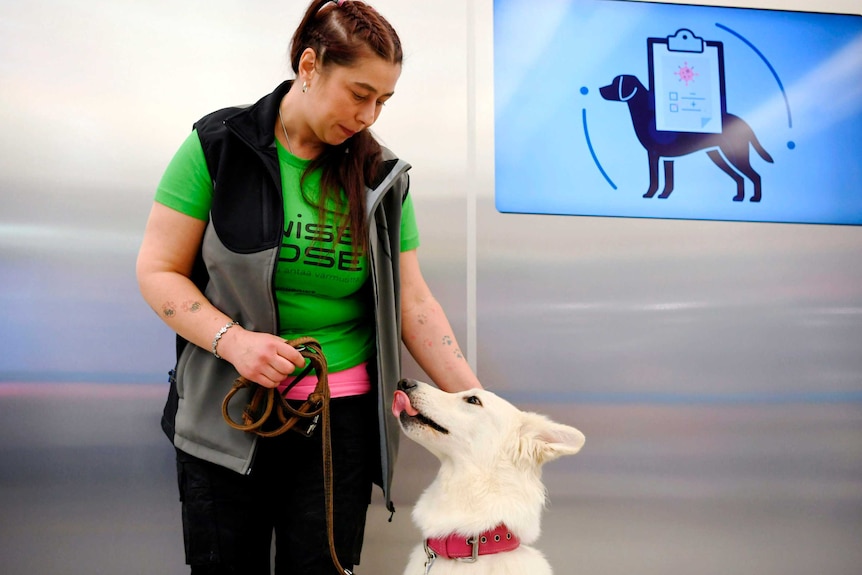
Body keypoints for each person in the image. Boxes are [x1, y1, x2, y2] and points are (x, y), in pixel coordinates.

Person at [136, 0, 481, 573]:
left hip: (337, 431)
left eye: (383, 101)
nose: (370, 115)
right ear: (309, 65)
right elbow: (158, 271)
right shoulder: (220, 146)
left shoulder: (381, 176)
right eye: (359, 93)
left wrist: (480, 407)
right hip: (226, 416)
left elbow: (414, 305)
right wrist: (234, 341)